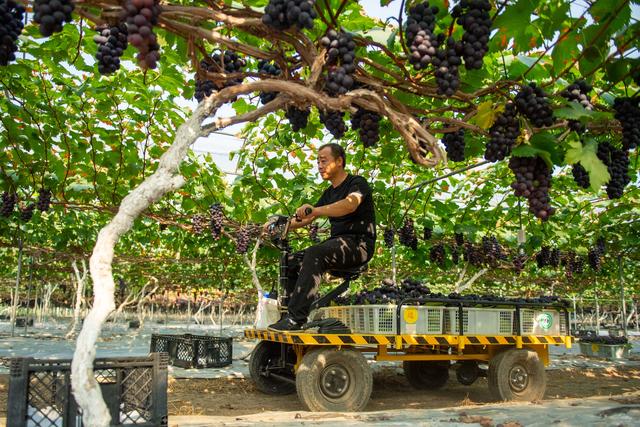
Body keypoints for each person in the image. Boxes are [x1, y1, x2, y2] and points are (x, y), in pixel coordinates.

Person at [267, 143, 376, 331]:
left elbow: (350, 205)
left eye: (323, 161)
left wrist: (315, 210)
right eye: (317, 161)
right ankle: (288, 315)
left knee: (315, 252)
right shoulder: (328, 193)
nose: (319, 165)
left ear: (339, 161)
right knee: (292, 261)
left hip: (359, 245)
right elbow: (306, 219)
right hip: (338, 244)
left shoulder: (357, 183)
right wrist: (276, 227)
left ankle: (296, 319)